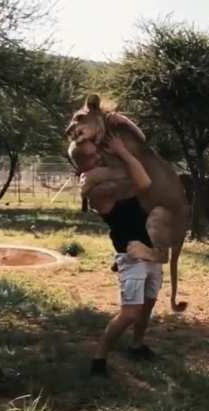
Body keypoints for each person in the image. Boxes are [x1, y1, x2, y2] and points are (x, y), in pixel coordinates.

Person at [75, 136, 166, 377]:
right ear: (80, 165)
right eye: (91, 157)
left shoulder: (110, 175)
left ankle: (137, 346)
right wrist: (124, 153)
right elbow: (144, 181)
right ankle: (99, 358)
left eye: (97, 153)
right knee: (130, 313)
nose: (98, 158)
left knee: (148, 304)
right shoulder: (97, 188)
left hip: (151, 251)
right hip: (131, 255)